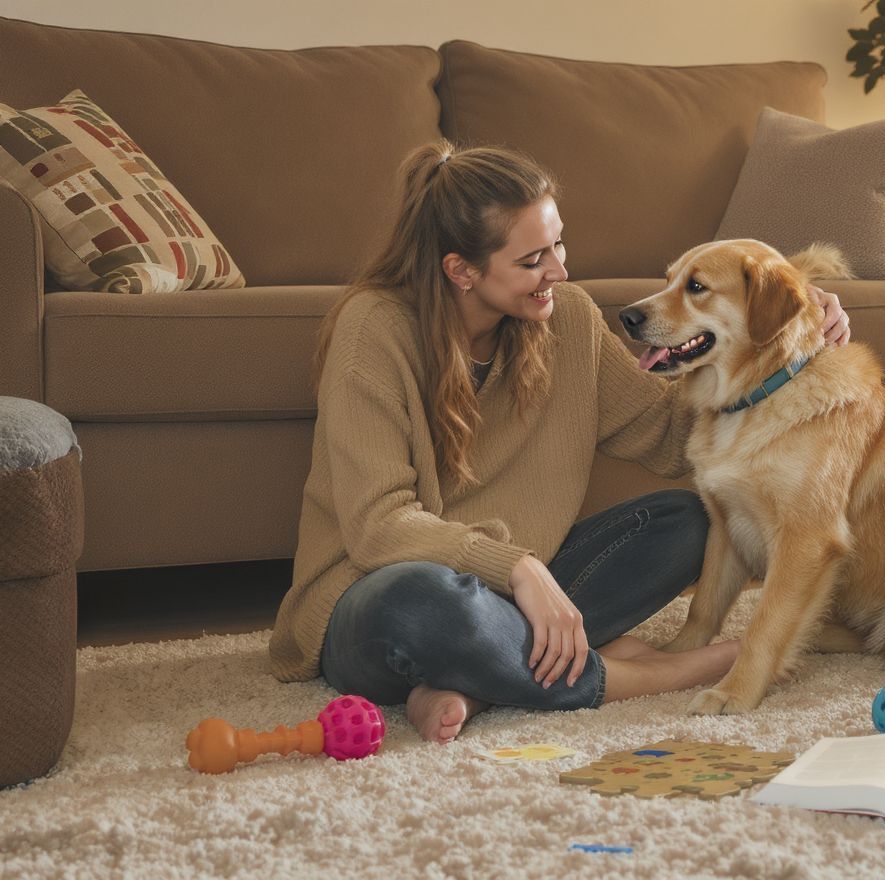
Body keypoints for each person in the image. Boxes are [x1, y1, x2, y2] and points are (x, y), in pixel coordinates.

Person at [269, 140, 851, 744]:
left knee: (685, 521)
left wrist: (787, 330)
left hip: (518, 588)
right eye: (531, 260)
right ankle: (646, 673)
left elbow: (676, 439)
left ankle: (472, 680)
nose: (560, 271)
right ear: (461, 270)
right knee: (423, 601)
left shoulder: (565, 316)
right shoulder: (373, 330)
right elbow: (378, 527)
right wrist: (518, 568)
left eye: (558, 244)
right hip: (373, 597)